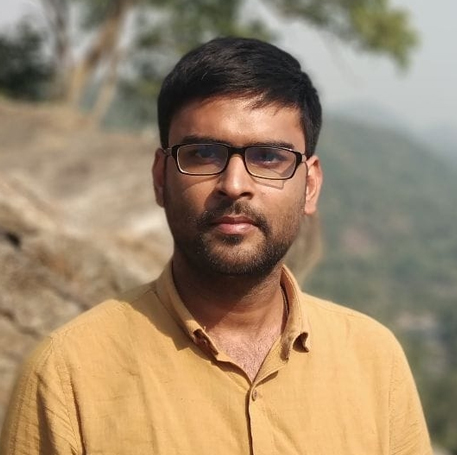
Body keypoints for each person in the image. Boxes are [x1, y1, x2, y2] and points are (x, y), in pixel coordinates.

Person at [0, 37, 431, 455]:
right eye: (203, 154)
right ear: (160, 178)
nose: (234, 184)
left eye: (268, 157)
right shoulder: (67, 377)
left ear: (311, 185)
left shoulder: (375, 363)